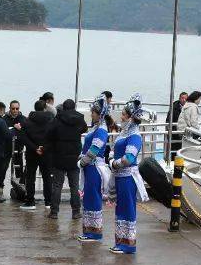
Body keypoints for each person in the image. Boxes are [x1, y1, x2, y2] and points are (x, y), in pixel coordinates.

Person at [110, 97, 148, 254]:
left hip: (127, 177)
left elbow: (129, 159)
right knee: (121, 208)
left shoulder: (134, 136)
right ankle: (121, 241)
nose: (122, 117)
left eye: (124, 115)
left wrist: (113, 163)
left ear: (131, 117)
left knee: (127, 208)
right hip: (120, 177)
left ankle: (128, 244)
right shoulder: (125, 133)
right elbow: (116, 150)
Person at [46, 98, 88, 219]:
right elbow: (84, 129)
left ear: (63, 107)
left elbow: (49, 133)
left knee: (57, 185)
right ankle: (76, 211)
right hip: (74, 157)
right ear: (74, 107)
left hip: (59, 156)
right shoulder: (79, 119)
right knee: (74, 186)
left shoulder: (57, 119)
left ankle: (54, 212)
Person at [76, 96, 109, 239]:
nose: (91, 114)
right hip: (90, 167)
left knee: (93, 197)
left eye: (94, 112)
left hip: (94, 167)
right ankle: (89, 231)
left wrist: (82, 162)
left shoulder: (101, 130)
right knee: (89, 198)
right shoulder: (96, 128)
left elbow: (95, 149)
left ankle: (94, 233)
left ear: (99, 114)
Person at [18, 100, 54, 210]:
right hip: (47, 153)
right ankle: (48, 202)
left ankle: (30, 202)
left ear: (35, 108)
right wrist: (44, 148)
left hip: (32, 153)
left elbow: (23, 137)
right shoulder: (51, 120)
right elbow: (53, 137)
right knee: (47, 178)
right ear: (44, 108)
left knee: (30, 178)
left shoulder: (27, 121)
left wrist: (35, 148)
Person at [5, 100, 26, 185]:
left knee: (19, 167)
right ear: (10, 108)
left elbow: (28, 131)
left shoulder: (23, 118)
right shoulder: (4, 118)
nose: (15, 110)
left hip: (18, 146)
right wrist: (13, 127)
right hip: (6, 146)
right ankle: (0, 186)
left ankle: (20, 184)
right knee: (3, 167)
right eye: (13, 108)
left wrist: (21, 129)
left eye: (17, 108)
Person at [168, 91, 188, 157]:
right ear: (179, 98)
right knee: (174, 149)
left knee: (184, 149)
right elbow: (169, 118)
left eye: (185, 98)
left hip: (185, 132)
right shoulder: (174, 106)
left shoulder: (188, 107)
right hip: (175, 131)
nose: (184, 100)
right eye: (182, 98)